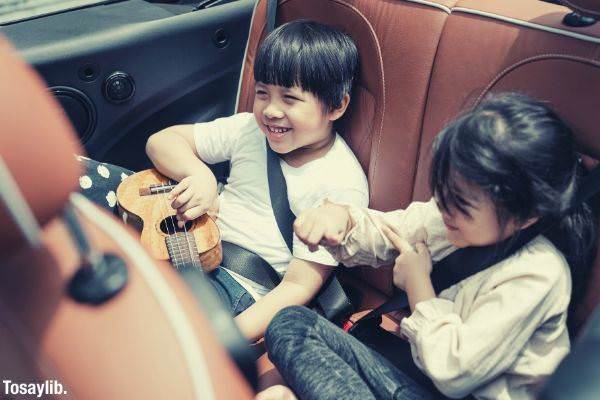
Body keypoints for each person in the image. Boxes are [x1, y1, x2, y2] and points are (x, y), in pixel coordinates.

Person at [257, 93, 597, 400]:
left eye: (461, 202)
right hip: (413, 372)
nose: (442, 205)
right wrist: (341, 221)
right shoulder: (445, 217)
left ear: (527, 214)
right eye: (442, 188)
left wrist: (418, 285)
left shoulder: (538, 274)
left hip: (456, 388)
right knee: (290, 324)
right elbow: (389, 230)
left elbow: (454, 372)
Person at [77, 20, 368, 342]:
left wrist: (224, 340)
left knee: (140, 319)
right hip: (190, 238)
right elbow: (161, 141)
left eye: (290, 99)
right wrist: (198, 175)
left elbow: (297, 286)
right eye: (262, 93)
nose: (270, 111)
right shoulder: (249, 130)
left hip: (240, 286)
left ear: (336, 105)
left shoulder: (340, 184)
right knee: (75, 176)